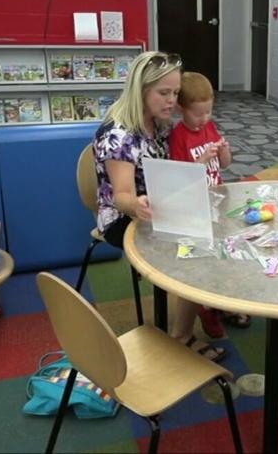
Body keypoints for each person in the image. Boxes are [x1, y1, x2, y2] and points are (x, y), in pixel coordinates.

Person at [91, 51, 226, 362]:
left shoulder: (159, 124)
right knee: (196, 248)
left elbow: (170, 169)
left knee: (220, 223)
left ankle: (209, 301)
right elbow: (121, 196)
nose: (172, 101)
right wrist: (138, 204)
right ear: (140, 90)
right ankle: (183, 334)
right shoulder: (118, 135)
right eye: (164, 93)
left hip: (161, 204)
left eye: (175, 93)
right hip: (124, 217)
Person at [169, 72, 251, 338]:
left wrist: (224, 151)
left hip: (217, 203)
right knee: (203, 258)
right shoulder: (178, 136)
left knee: (224, 252)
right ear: (181, 109)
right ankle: (204, 306)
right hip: (194, 207)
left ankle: (221, 302)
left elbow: (224, 165)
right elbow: (180, 179)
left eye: (208, 112)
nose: (204, 119)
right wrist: (201, 160)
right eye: (198, 114)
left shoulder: (210, 128)